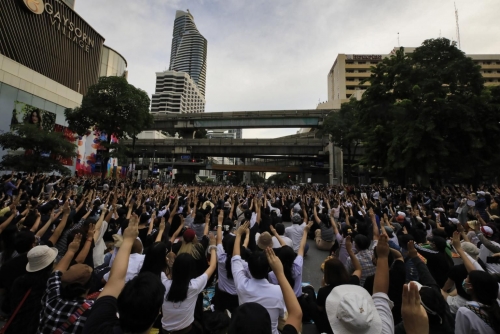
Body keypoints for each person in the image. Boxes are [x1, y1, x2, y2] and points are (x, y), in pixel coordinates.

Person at [83, 214, 166, 334]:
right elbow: (115, 281)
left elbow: (114, 280)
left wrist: (127, 241)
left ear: (120, 302)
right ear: (157, 316)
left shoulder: (97, 324)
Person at [325, 234, 394, 334]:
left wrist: (382, 257)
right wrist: (383, 257)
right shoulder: (385, 330)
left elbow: (380, 295)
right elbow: (381, 295)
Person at [232, 222, 285, 334]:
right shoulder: (278, 291)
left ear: (248, 269)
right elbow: (283, 315)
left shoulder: (242, 285)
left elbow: (235, 258)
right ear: (268, 269)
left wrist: (238, 235)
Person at [37, 234, 94, 333]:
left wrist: (71, 251)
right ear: (88, 287)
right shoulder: (90, 312)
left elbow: (57, 271)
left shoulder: (53, 293)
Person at [161, 234, 217, 333]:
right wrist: (213, 246)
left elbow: (160, 267)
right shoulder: (194, 286)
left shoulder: (164, 283)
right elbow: (212, 266)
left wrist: (168, 259)